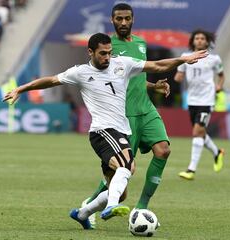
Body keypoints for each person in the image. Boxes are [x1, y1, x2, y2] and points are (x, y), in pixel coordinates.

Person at [2, 32, 208, 229]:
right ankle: (110, 206)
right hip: (102, 131)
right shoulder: (80, 72)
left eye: (109, 52)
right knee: (127, 164)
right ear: (90, 52)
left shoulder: (122, 64)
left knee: (121, 190)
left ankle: (82, 213)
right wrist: (21, 88)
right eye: (103, 53)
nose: (107, 57)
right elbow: (51, 80)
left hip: (121, 131)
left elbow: (157, 65)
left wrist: (183, 59)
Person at [80, 3, 174, 228]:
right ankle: (90, 202)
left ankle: (142, 205)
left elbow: (134, 77)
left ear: (133, 19)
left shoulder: (141, 43)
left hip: (146, 108)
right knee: (123, 170)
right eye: (119, 19)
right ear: (112, 20)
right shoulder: (107, 48)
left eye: (127, 18)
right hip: (124, 115)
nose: (123, 22)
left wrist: (153, 86)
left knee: (164, 150)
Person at [175, 29, 225, 180]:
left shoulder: (214, 59)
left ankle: (191, 170)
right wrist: (176, 75)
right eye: (196, 38)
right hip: (192, 100)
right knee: (200, 133)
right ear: (192, 41)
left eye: (202, 38)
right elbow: (179, 75)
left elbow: (221, 75)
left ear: (207, 41)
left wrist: (219, 86)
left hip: (206, 100)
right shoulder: (185, 57)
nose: (199, 40)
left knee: (197, 132)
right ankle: (217, 152)